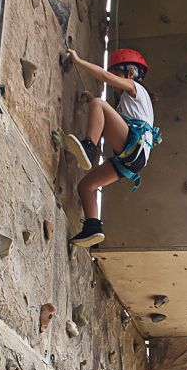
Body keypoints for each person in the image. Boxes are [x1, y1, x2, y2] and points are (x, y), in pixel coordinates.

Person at [63, 46, 161, 248]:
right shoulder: (129, 104)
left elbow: (105, 77)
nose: (114, 80)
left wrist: (78, 61)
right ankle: (93, 227)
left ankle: (88, 148)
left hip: (134, 145)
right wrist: (92, 100)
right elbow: (108, 120)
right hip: (133, 159)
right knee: (85, 187)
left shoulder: (135, 87)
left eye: (117, 73)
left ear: (130, 72)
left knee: (99, 104)